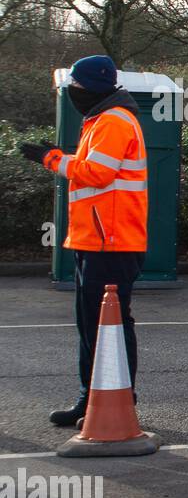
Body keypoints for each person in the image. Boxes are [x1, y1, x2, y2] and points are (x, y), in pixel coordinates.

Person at [19, 55, 148, 427]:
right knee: (95, 324)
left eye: (75, 85)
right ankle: (93, 396)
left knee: (106, 324)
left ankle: (111, 398)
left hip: (111, 241)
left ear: (90, 87)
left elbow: (98, 173)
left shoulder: (112, 121)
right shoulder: (103, 119)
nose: (72, 91)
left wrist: (52, 158)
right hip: (99, 239)